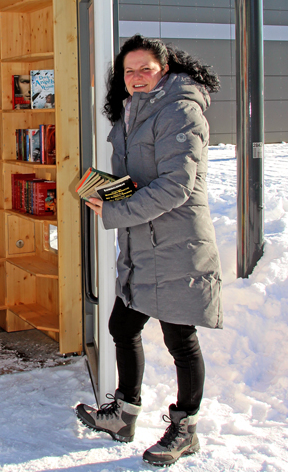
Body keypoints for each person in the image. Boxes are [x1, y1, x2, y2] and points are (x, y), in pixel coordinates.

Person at [75, 35, 223, 467]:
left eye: (146, 69)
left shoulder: (181, 110)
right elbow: (137, 176)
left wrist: (116, 210)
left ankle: (185, 429)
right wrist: (107, 192)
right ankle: (124, 413)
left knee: (180, 338)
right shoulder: (129, 115)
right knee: (122, 325)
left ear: (165, 69)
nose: (137, 78)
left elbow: (177, 186)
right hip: (143, 241)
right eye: (129, 71)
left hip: (177, 244)